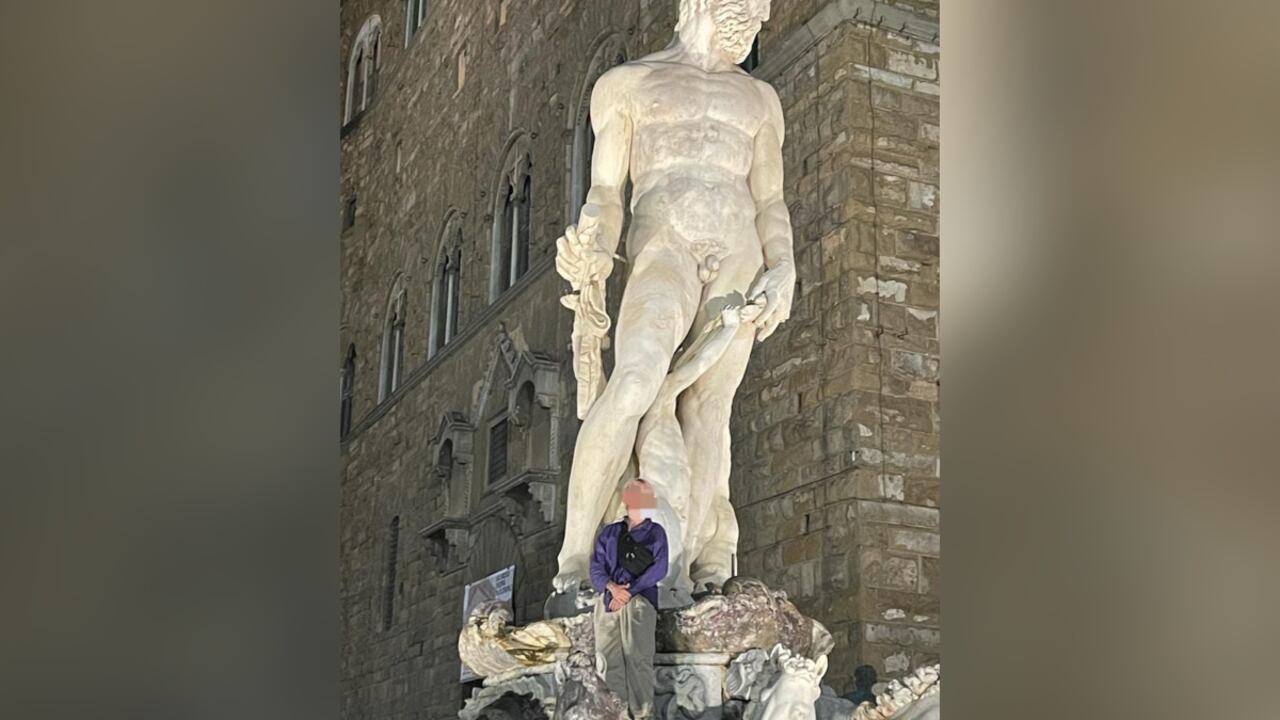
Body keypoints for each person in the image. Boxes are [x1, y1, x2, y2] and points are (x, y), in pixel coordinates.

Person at [551, 0, 794, 594]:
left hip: (739, 250)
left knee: (710, 406)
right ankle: (574, 559)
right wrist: (594, 244)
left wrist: (784, 265)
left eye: (759, 13)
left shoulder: (760, 100)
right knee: (635, 381)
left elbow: (769, 199)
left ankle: (680, 570)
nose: (756, 18)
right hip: (664, 243)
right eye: (746, 8)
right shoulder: (628, 84)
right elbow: (606, 191)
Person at [590, 478, 669, 719]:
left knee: (638, 659)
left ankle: (642, 713)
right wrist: (612, 588)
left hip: (639, 601)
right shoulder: (610, 533)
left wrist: (629, 591)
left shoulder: (655, 532)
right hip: (610, 602)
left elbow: (660, 568)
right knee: (608, 660)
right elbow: (596, 567)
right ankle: (617, 713)